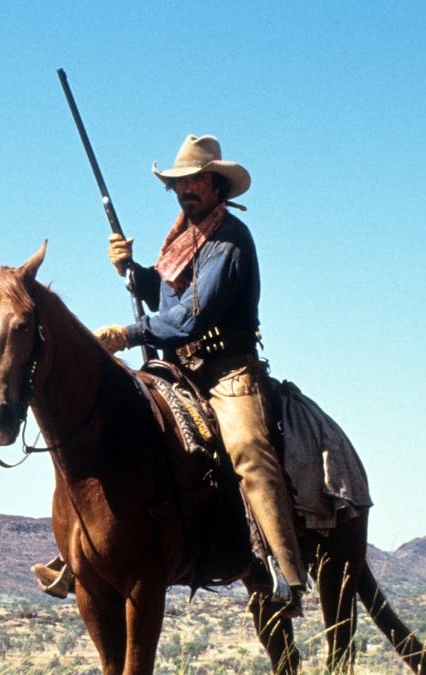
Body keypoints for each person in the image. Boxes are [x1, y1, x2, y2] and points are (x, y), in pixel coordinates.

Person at [94, 134, 306, 615]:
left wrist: (128, 334)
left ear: (216, 186)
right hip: (178, 367)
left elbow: (193, 316)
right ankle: (90, 549)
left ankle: (285, 576)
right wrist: (132, 270)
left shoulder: (230, 239)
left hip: (227, 370)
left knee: (249, 451)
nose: (185, 190)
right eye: (179, 183)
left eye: (194, 181)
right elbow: (165, 299)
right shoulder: (183, 240)